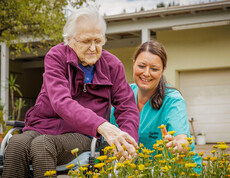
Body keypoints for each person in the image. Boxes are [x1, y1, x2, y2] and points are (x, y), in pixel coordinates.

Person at [2, 6, 139, 178]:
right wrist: (101, 125)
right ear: (69, 40)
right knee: (16, 144)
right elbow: (60, 101)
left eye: (98, 41)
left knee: (42, 145)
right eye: (86, 41)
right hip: (44, 124)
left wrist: (128, 141)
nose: (93, 47)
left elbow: (127, 107)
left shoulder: (113, 65)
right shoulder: (56, 56)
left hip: (81, 132)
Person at [110, 40, 201, 165]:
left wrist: (178, 145)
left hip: (173, 171)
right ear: (134, 64)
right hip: (138, 171)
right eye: (141, 66)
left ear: (162, 70)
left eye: (154, 69)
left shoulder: (173, 100)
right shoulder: (124, 93)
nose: (146, 73)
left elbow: (182, 139)